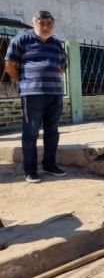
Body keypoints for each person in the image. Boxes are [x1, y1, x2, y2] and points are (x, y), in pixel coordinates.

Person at [4, 11, 68, 183]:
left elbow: (62, 66)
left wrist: (49, 78)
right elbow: (9, 66)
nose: (45, 26)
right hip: (32, 94)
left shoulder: (56, 44)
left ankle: (49, 164)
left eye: (49, 23)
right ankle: (30, 170)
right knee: (30, 133)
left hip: (55, 93)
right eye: (41, 23)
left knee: (52, 132)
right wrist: (25, 81)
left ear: (53, 25)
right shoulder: (21, 40)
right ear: (34, 23)